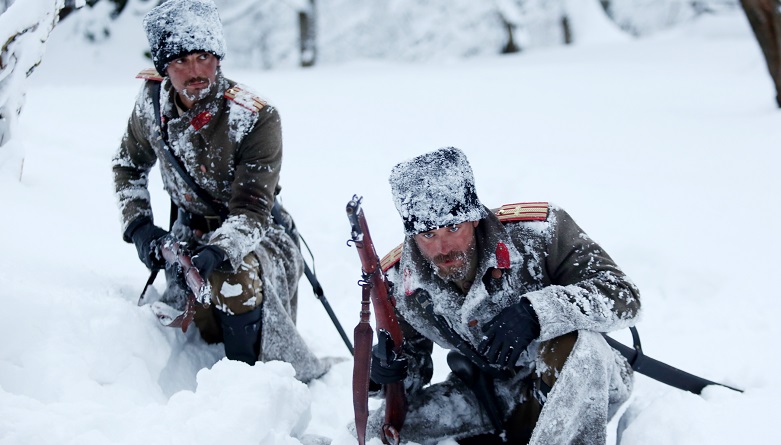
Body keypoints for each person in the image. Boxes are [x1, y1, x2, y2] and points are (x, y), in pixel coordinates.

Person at [112, 0, 327, 382]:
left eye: (204, 57)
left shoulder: (255, 116)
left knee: (233, 278)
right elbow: (127, 165)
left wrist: (218, 252)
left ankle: (244, 383)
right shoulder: (150, 103)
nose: (196, 71)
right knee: (197, 319)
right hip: (187, 232)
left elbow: (252, 210)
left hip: (258, 236)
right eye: (181, 61)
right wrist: (141, 227)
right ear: (164, 67)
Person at [366, 147, 641, 444]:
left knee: (580, 345)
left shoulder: (539, 233)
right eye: (428, 235)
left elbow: (622, 294)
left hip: (582, 378)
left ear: (473, 217)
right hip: (490, 394)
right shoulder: (400, 282)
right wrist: (382, 374)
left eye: (453, 227)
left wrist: (537, 313)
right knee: (375, 432)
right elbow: (412, 375)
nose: (443, 249)